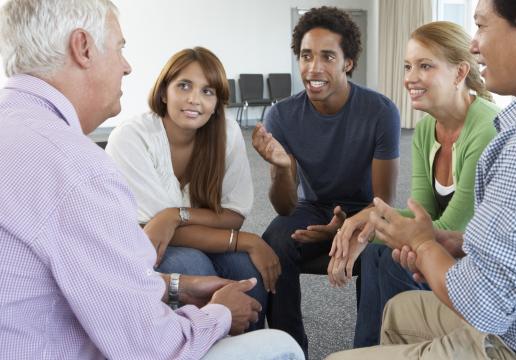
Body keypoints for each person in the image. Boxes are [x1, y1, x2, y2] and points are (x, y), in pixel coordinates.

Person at [328, 0, 516, 359]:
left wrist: (425, 246)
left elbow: (481, 302)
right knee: (398, 311)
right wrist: (453, 241)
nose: (474, 44)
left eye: (481, 26)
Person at [0, 1, 303, 359]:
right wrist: (220, 314)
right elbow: (152, 347)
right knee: (281, 347)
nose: (127, 66)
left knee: (235, 269)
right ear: (83, 47)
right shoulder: (79, 169)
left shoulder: (20, 131)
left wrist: (177, 286)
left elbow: (94, 279)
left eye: (207, 91)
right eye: (119, 48)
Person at [327, 21, 499, 348]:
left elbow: (449, 227)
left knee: (390, 253)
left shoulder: (485, 127)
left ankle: (402, 349)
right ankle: (371, 350)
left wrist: (367, 229)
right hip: (443, 248)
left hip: (475, 260)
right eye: (408, 66)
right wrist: (363, 224)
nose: (410, 78)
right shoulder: (425, 130)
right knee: (379, 253)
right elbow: (421, 212)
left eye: (425, 66)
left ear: (460, 73)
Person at [251, 6, 401, 355]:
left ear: (348, 62)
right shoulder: (282, 114)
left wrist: (344, 228)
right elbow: (285, 205)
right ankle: (290, 347)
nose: (313, 68)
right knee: (274, 240)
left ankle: (369, 350)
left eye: (327, 57)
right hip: (312, 206)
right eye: (306, 56)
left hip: (366, 209)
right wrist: (283, 167)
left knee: (384, 249)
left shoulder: (380, 111)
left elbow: (384, 203)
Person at [106, 47, 278, 329]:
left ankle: (252, 348)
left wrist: (174, 216)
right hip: (141, 247)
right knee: (193, 265)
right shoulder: (131, 138)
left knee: (247, 272)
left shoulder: (226, 132)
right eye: (184, 86)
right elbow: (154, 230)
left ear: (217, 102)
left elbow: (233, 214)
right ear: (164, 92)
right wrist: (247, 240)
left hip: (197, 236)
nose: (194, 99)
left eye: (207, 91)